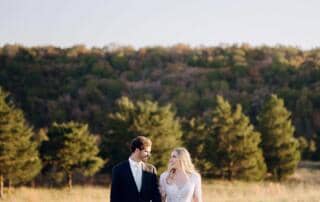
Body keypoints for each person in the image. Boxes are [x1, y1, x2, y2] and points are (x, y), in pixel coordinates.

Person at [110, 136, 161, 202]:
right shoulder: (118, 170)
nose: (149, 155)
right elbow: (114, 197)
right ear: (137, 150)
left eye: (149, 152)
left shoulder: (151, 170)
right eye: (146, 151)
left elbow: (156, 195)